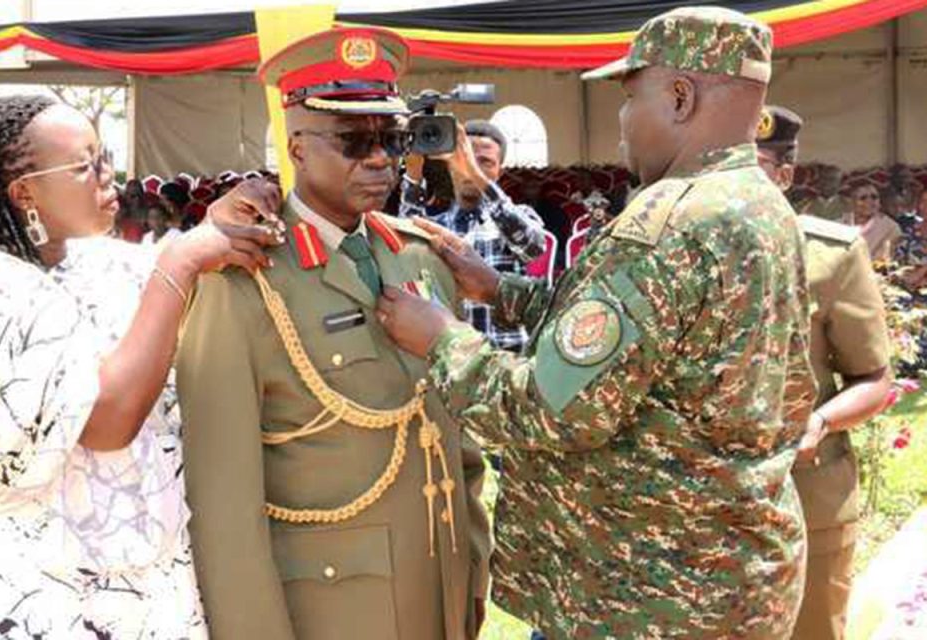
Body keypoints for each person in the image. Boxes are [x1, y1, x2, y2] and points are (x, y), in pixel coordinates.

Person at [376, 7, 816, 638]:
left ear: (681, 97)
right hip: (726, 577)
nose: (623, 124)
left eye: (630, 98)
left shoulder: (667, 226)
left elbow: (550, 409)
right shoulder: (757, 203)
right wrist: (499, 289)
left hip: (642, 598)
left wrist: (441, 337)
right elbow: (657, 340)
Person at [0, 95, 279, 638]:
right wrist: (182, 262)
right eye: (85, 166)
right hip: (34, 598)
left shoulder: (92, 259)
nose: (109, 176)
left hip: (140, 591)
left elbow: (166, 273)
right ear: (24, 192)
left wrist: (220, 222)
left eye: (105, 157)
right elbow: (108, 418)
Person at [176, 28, 490, 640]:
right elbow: (223, 505)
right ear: (296, 147)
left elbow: (455, 438)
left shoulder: (422, 258)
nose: (379, 159)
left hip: (439, 588)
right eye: (353, 141)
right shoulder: (242, 278)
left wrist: (472, 564)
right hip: (333, 610)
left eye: (391, 139)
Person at [758, 105, 893, 640]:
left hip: (806, 492)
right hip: (703, 503)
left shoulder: (827, 255)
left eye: (756, 168)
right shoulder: (682, 252)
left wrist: (820, 422)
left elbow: (874, 379)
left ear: (785, 175)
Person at [399, 119, 546, 352]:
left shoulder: (520, 217)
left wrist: (475, 173)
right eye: (463, 159)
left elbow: (533, 248)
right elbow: (405, 252)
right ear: (449, 165)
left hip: (509, 357)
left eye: (484, 162)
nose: (469, 168)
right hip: (454, 359)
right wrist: (413, 175)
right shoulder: (437, 226)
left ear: (499, 172)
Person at [853, 183, 902, 263]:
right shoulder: (839, 224)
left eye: (874, 197)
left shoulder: (891, 228)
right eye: (863, 198)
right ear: (852, 202)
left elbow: (884, 259)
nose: (869, 201)